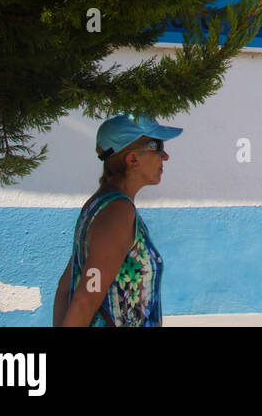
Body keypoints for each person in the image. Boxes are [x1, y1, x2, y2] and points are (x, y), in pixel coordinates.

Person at [52, 113, 181, 326]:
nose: (165, 156)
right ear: (132, 159)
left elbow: (66, 287)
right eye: (156, 146)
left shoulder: (100, 205)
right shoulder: (117, 212)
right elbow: (85, 298)